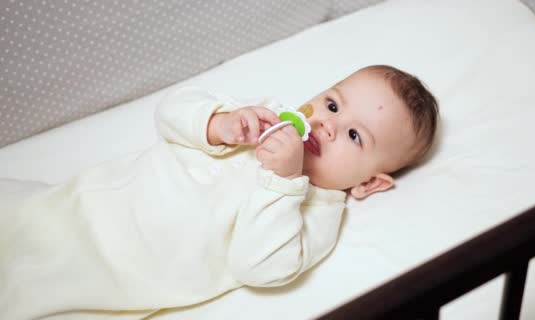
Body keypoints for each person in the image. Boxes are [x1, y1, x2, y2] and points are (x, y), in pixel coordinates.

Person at [0, 65, 438, 319]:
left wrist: (283, 182)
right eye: (332, 104)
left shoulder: (319, 214)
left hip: (111, 278)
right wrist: (218, 124)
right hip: (77, 206)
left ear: (367, 183)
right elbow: (170, 115)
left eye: (355, 136)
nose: (326, 124)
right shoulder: (262, 118)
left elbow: (260, 268)